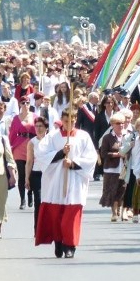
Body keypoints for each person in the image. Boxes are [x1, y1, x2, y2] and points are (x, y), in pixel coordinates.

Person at [34, 111, 97, 258]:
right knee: (56, 215)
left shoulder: (83, 136)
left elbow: (91, 158)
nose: (70, 123)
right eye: (66, 120)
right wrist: (61, 153)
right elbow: (41, 155)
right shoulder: (52, 137)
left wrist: (74, 163)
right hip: (56, 180)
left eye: (73, 120)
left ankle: (70, 245)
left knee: (71, 215)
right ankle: (58, 242)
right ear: (62, 120)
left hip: (75, 179)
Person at [9, 95, 37, 209]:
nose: (25, 105)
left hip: (31, 146)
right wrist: (10, 147)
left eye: (27, 103)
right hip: (19, 147)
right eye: (23, 103)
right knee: (21, 174)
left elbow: (39, 131)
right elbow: (12, 133)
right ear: (19, 104)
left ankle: (30, 195)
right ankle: (22, 200)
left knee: (30, 173)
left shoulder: (35, 117)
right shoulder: (16, 118)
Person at [99, 113, 127, 222]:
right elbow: (103, 153)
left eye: (122, 123)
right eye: (118, 123)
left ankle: (121, 209)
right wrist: (116, 155)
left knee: (123, 189)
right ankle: (114, 212)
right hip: (111, 168)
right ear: (112, 125)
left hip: (124, 167)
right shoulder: (107, 138)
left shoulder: (127, 136)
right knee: (112, 190)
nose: (121, 125)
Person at [25, 116, 49, 234]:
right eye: (37, 126)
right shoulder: (32, 142)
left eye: (41, 126)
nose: (39, 129)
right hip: (36, 174)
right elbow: (29, 161)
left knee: (48, 201)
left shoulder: (50, 140)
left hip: (49, 174)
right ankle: (37, 230)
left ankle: (48, 228)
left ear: (46, 128)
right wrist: (26, 178)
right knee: (38, 201)